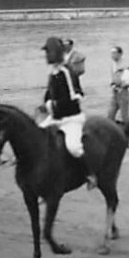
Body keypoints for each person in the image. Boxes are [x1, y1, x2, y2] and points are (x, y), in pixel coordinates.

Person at [39, 37, 96, 189]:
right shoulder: (53, 72)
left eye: (48, 52)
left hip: (71, 118)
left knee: (74, 148)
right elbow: (48, 94)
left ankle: (90, 174)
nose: (46, 56)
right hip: (56, 117)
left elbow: (75, 97)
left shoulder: (67, 71)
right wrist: (46, 104)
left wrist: (52, 105)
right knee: (38, 136)